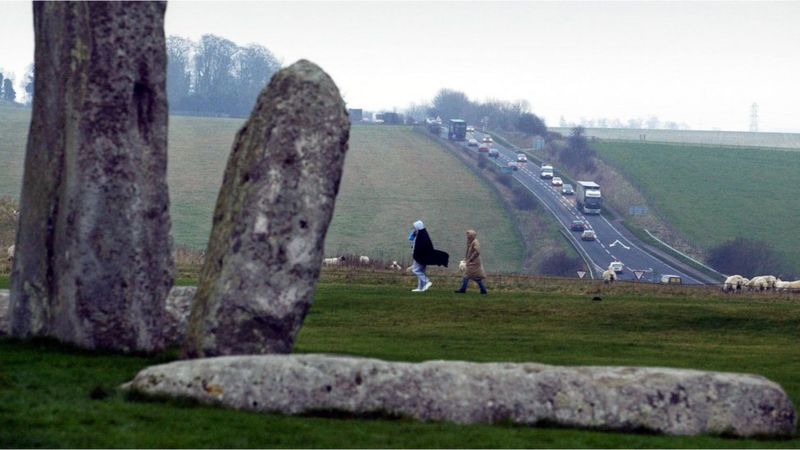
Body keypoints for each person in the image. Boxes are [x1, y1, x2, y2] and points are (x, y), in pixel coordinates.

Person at [409, 220, 449, 292]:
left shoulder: (421, 236)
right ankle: (420, 287)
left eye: (415, 227)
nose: (414, 228)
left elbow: (421, 247)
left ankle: (427, 282)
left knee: (415, 270)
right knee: (421, 271)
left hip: (420, 256)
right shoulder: (421, 234)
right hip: (419, 256)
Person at [454, 229, 488, 295]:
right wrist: (466, 258)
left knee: (466, 275)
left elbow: (477, 251)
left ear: (472, 235)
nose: (467, 236)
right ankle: (483, 290)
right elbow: (469, 251)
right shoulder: (470, 242)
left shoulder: (475, 242)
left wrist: (470, 259)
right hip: (472, 261)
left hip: (474, 262)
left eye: (468, 235)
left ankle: (463, 289)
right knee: (474, 276)